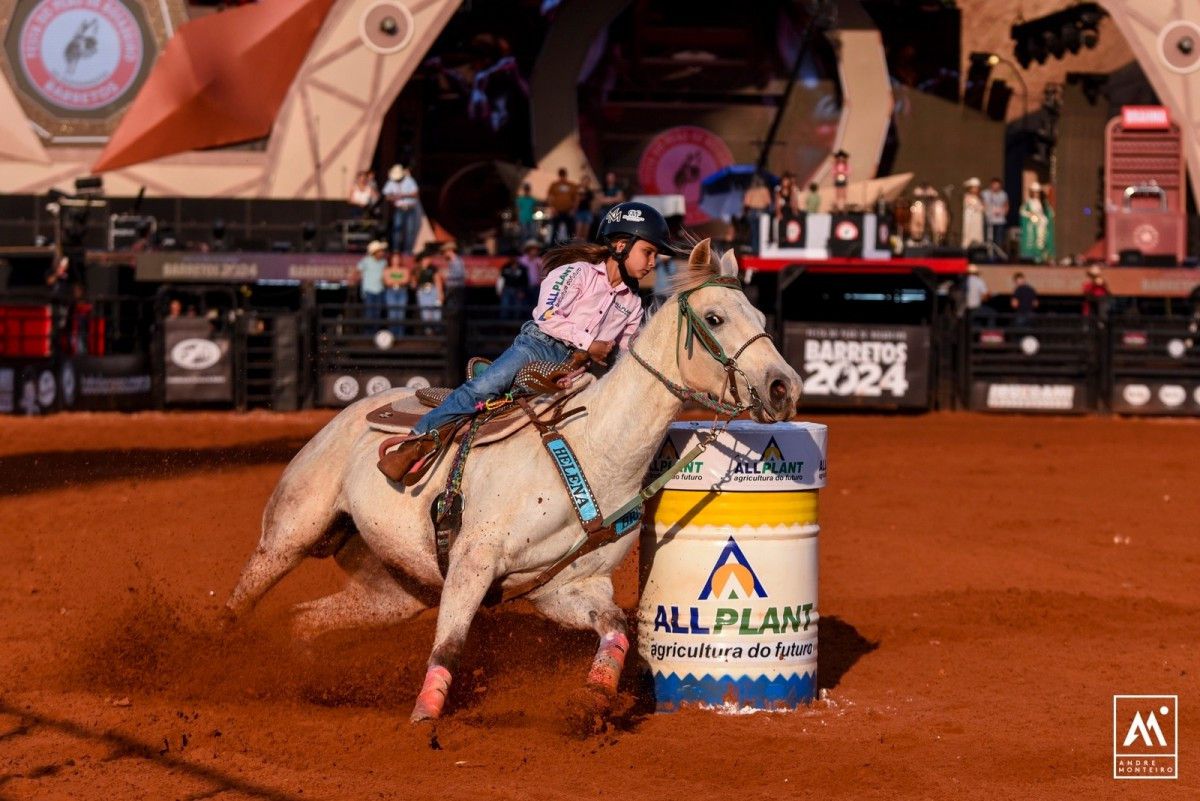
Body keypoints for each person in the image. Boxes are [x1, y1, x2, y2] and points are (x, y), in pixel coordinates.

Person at [381, 201, 674, 479]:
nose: (652, 263)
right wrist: (591, 344)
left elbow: (626, 351)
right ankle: (413, 442)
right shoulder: (577, 273)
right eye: (648, 252)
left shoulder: (633, 303)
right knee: (484, 387)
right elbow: (546, 315)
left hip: (574, 371)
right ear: (621, 246)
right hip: (538, 347)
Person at [383, 164, 421, 254]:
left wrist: (403, 195)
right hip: (399, 209)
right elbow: (386, 196)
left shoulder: (409, 180)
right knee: (397, 230)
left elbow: (416, 194)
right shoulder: (391, 182)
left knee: (410, 231)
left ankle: (407, 251)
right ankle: (396, 250)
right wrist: (394, 197)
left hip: (410, 208)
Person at [1019, 182, 1054, 264]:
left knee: (1042, 241)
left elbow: (1050, 213)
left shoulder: (1044, 203)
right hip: (1033, 225)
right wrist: (1031, 214)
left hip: (1042, 225)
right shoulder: (1028, 202)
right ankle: (1033, 257)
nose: (1036, 194)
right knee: (1033, 241)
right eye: (1034, 192)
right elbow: (1022, 212)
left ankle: (1042, 257)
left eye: (1037, 192)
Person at [413, 246, 445, 328]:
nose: (428, 260)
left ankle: (437, 330)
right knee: (426, 313)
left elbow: (438, 281)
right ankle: (428, 330)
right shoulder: (417, 269)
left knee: (436, 313)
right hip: (422, 292)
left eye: (429, 258)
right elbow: (414, 282)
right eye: (426, 258)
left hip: (433, 291)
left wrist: (440, 294)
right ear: (422, 259)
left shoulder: (433, 269)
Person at [357, 240, 388, 323]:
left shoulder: (384, 262)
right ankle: (368, 334)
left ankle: (375, 334)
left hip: (380, 291)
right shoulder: (366, 261)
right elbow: (357, 271)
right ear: (375, 252)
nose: (382, 252)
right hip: (369, 291)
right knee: (369, 314)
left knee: (377, 314)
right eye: (380, 251)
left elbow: (386, 275)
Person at [546, 167, 579, 244]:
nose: (562, 177)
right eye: (561, 175)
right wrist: (552, 208)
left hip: (568, 211)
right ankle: (552, 247)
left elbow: (576, 198)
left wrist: (573, 210)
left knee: (570, 231)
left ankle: (570, 247)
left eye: (563, 175)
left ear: (566, 175)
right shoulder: (554, 185)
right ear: (559, 175)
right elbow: (550, 197)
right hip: (557, 211)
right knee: (555, 230)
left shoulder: (571, 185)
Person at [742, 175, 772, 254]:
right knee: (762, 232)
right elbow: (768, 202)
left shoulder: (750, 190)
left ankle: (755, 250)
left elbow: (746, 203)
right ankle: (762, 250)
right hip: (762, 212)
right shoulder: (765, 190)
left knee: (754, 233)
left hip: (752, 212)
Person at [383, 251, 410, 337]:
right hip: (391, 292)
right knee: (392, 314)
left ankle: (400, 336)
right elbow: (387, 282)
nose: (396, 260)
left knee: (401, 314)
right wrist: (399, 281)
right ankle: (392, 336)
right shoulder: (387, 270)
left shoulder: (405, 269)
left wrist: (393, 281)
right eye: (394, 258)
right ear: (391, 260)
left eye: (398, 258)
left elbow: (406, 280)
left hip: (402, 291)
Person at [981, 177, 1009, 256]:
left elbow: (1006, 205)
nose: (996, 187)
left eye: (998, 186)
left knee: (999, 238)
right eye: (994, 185)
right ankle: (988, 254)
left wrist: (1003, 213)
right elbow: (983, 204)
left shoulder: (1003, 194)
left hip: (1000, 220)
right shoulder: (985, 193)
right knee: (988, 237)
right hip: (989, 219)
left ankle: (998, 253)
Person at [442, 240, 466, 312]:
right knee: (452, 307)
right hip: (453, 287)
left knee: (455, 308)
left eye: (445, 251)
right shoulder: (452, 261)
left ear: (450, 251)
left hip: (456, 288)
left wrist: (447, 275)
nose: (444, 254)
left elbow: (459, 274)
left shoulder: (457, 261)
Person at [961, 177, 985, 248]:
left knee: (978, 237)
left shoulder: (978, 198)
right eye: (974, 187)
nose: (976, 189)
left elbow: (983, 208)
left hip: (977, 221)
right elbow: (980, 207)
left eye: (977, 187)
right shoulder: (967, 197)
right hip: (970, 221)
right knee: (968, 237)